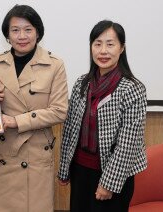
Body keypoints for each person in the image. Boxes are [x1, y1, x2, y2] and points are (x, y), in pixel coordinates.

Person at [58, 20, 147, 212]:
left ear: (122, 48)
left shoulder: (132, 88)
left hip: (113, 173)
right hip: (80, 170)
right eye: (97, 44)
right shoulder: (82, 83)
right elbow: (70, 129)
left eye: (110, 44)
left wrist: (109, 183)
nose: (103, 51)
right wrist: (64, 169)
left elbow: (129, 142)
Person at [0, 4, 68, 212]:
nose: (22, 36)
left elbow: (59, 110)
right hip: (4, 153)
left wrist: (17, 121)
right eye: (15, 30)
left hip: (36, 154)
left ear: (38, 32)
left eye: (28, 29)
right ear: (7, 35)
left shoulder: (54, 64)